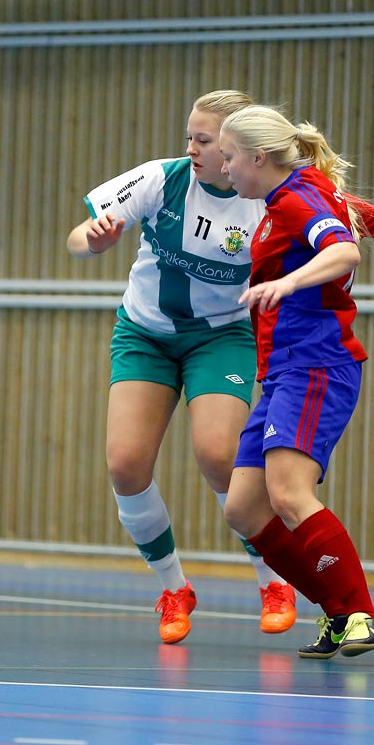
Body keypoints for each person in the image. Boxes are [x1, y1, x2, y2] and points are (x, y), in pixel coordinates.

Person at [215, 105, 374, 661]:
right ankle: (340, 613)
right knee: (245, 510)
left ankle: (363, 617)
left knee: (288, 494)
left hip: (316, 364)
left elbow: (346, 248)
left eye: (229, 157)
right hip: (281, 371)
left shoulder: (299, 197)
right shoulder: (302, 193)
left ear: (257, 158)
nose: (225, 169)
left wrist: (287, 282)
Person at [67, 89, 297, 645]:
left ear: (238, 148)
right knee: (125, 464)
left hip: (220, 339)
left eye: (203, 139)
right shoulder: (161, 180)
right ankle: (174, 588)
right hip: (146, 334)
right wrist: (94, 242)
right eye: (188, 136)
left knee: (220, 456)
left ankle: (275, 580)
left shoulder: (267, 200)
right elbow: (77, 239)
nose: (190, 147)